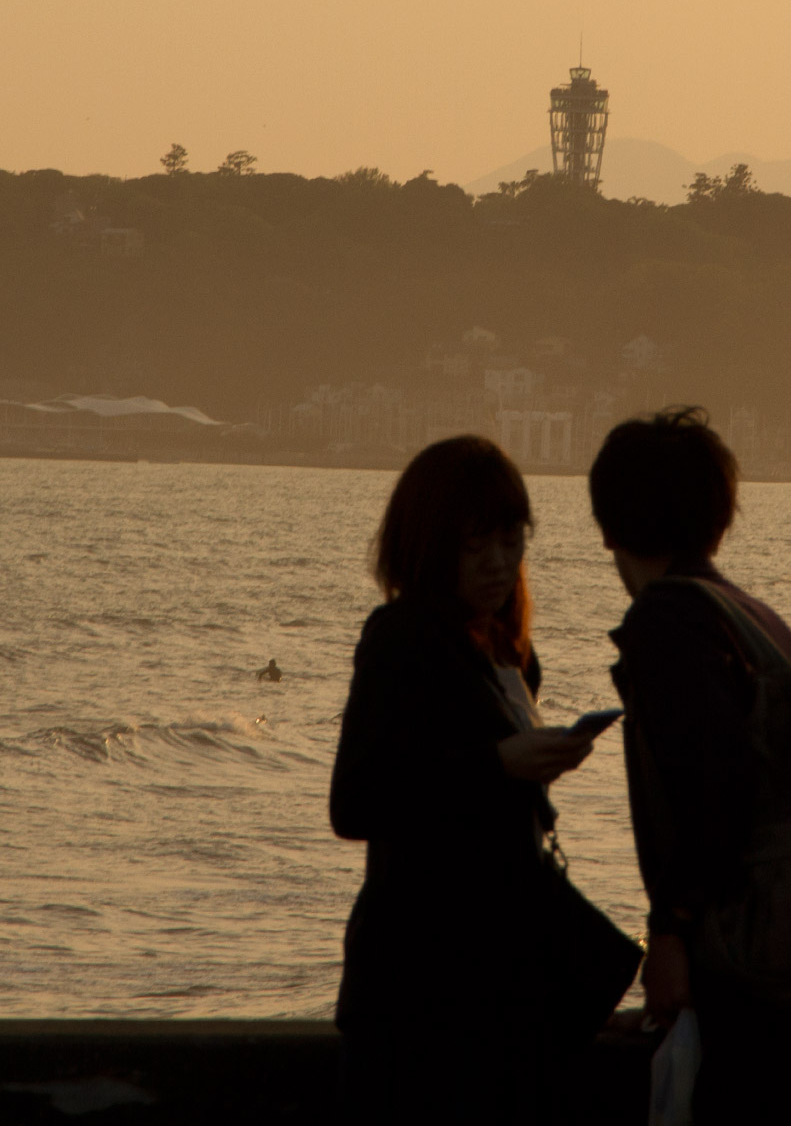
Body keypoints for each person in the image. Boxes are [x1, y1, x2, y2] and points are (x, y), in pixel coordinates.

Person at [592, 407, 791, 1124]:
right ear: (719, 518)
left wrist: (669, 932)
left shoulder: (666, 623)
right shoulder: (753, 616)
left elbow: (715, 791)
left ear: (609, 526)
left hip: (748, 973)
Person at [330, 435, 637, 1124]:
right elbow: (356, 802)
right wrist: (500, 764)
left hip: (491, 995)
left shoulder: (503, 651)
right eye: (477, 547)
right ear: (432, 546)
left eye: (511, 540)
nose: (499, 564)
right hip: (416, 998)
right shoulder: (402, 637)